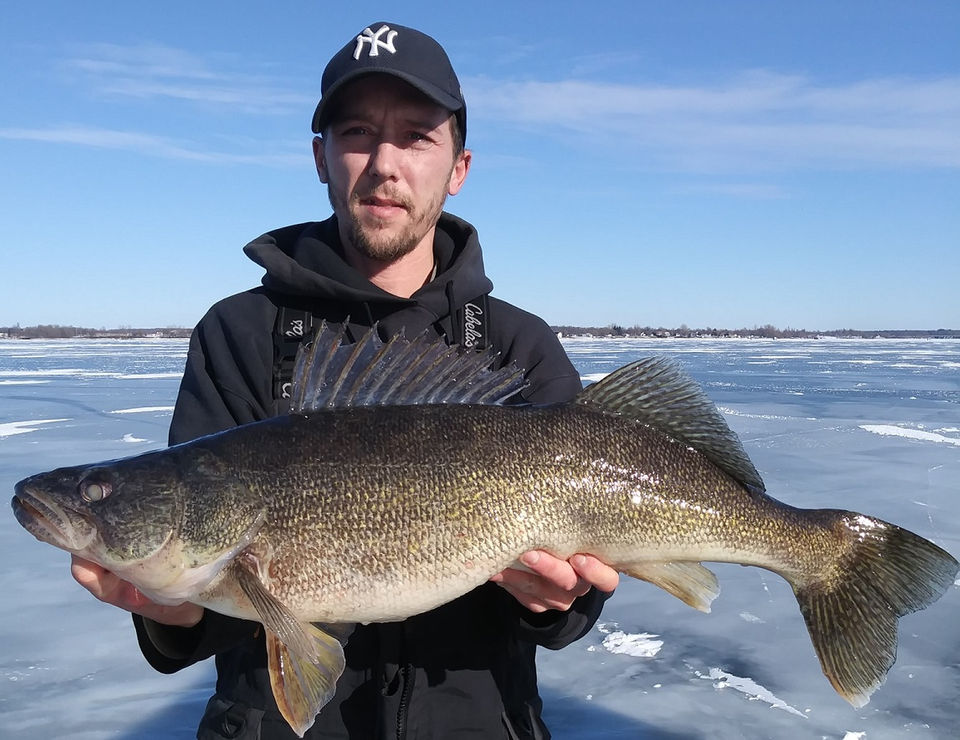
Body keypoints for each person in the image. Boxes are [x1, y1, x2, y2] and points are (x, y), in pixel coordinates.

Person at [70, 21, 620, 739]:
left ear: (458, 166)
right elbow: (201, 605)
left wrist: (558, 603)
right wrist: (173, 615)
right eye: (357, 133)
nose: (384, 163)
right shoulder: (239, 334)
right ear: (321, 156)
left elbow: (573, 604)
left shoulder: (518, 347)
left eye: (418, 135)